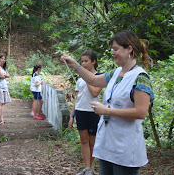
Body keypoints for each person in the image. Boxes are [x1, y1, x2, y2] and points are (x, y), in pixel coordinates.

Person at [62, 30, 154, 175]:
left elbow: (141, 112)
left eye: (115, 49)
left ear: (129, 49)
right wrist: (75, 65)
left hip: (125, 147)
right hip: (106, 144)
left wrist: (107, 111)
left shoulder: (140, 77)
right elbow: (92, 80)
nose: (112, 52)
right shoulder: (115, 73)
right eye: (112, 49)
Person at [69, 50, 102, 175]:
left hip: (93, 111)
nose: (83, 64)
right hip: (80, 111)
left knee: (92, 141)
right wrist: (72, 116)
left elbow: (94, 93)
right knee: (83, 140)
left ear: (93, 62)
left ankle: (91, 167)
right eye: (82, 61)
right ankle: (87, 168)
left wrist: (87, 77)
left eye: (86, 61)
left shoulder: (99, 77)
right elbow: (77, 98)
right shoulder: (79, 78)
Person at [0, 55, 11, 125]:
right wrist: (5, 75)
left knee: (2, 103)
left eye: (4, 59)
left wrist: (5, 75)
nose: (3, 60)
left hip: (4, 86)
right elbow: (1, 76)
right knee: (0, 103)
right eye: (2, 58)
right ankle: (1, 120)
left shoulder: (4, 68)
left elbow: (8, 75)